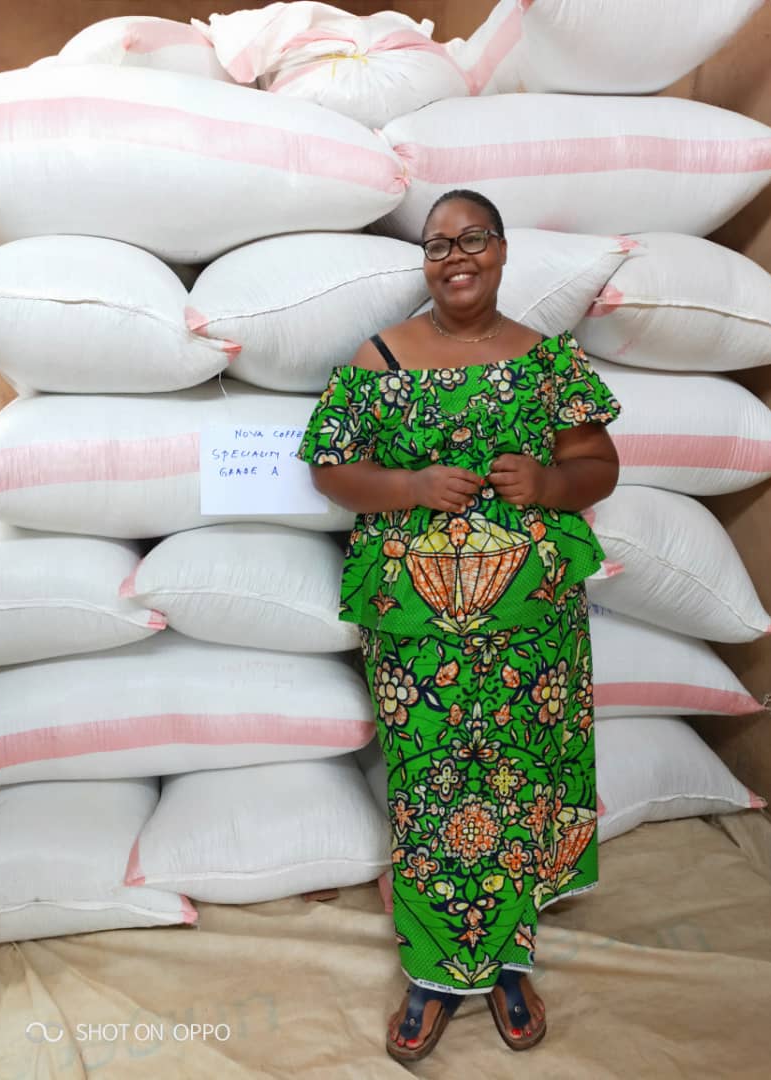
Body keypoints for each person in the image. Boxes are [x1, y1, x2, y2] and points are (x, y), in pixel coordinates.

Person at [297, 189, 621, 1063]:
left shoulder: (548, 361)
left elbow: (597, 462)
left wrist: (548, 485)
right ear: (426, 263)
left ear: (502, 251)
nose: (455, 256)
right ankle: (433, 973)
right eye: (438, 245)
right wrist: (409, 487)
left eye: (472, 238)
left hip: (534, 630)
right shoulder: (379, 359)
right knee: (432, 789)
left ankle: (509, 961)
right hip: (416, 629)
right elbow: (331, 467)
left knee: (522, 781)